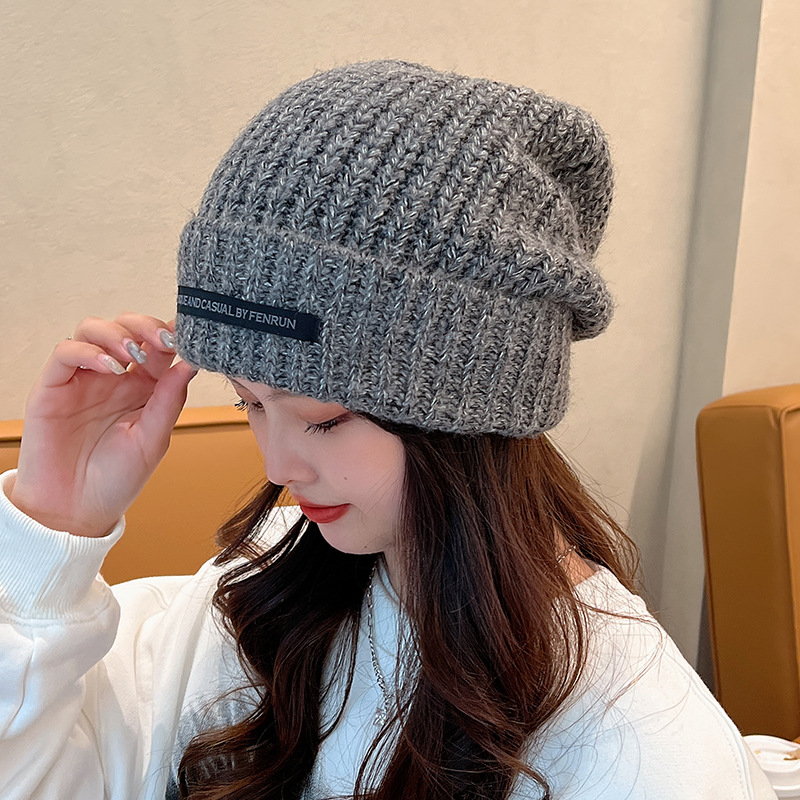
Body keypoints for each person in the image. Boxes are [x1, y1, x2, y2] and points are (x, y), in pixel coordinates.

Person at [0, 61, 775, 800]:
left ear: (469, 413)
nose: (278, 464)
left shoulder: (640, 745)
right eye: (248, 405)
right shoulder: (263, 593)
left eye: (323, 419)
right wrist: (54, 525)